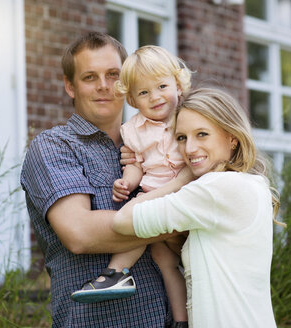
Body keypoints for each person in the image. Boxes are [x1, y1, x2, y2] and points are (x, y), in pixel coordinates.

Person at [20, 32, 178, 327]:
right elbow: (79, 233)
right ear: (70, 86)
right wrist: (186, 217)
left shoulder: (161, 142)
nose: (104, 86)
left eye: (113, 75)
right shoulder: (55, 146)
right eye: (90, 77)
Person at [112, 87, 282, 327]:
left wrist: (179, 180)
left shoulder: (217, 187)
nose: (189, 149)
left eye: (202, 134)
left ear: (232, 137)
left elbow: (122, 220)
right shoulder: (253, 184)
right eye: (181, 138)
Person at [71, 45, 192, 326]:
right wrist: (127, 180)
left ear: (178, 84)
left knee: (147, 227)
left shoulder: (190, 115)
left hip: (188, 194)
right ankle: (179, 318)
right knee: (162, 258)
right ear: (133, 100)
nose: (155, 97)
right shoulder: (134, 129)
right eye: (143, 92)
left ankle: (116, 273)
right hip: (152, 193)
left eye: (162, 86)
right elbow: (136, 164)